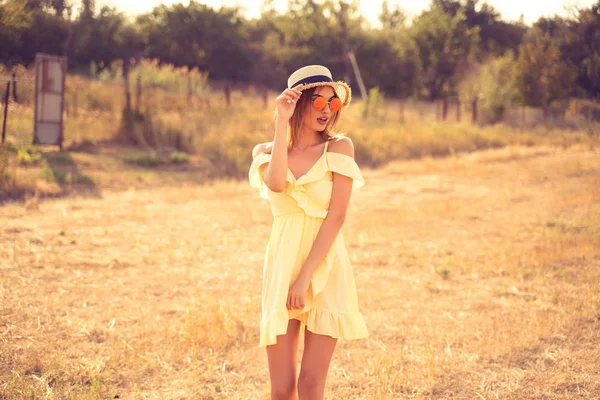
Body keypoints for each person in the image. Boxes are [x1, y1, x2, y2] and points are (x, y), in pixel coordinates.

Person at [249, 65, 368, 400]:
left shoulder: (339, 148)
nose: (327, 110)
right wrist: (280, 123)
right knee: (282, 388)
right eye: (318, 102)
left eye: (333, 104)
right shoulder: (267, 153)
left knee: (311, 386)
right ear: (297, 102)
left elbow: (337, 217)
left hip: (323, 268)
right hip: (283, 268)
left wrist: (304, 278)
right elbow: (275, 184)